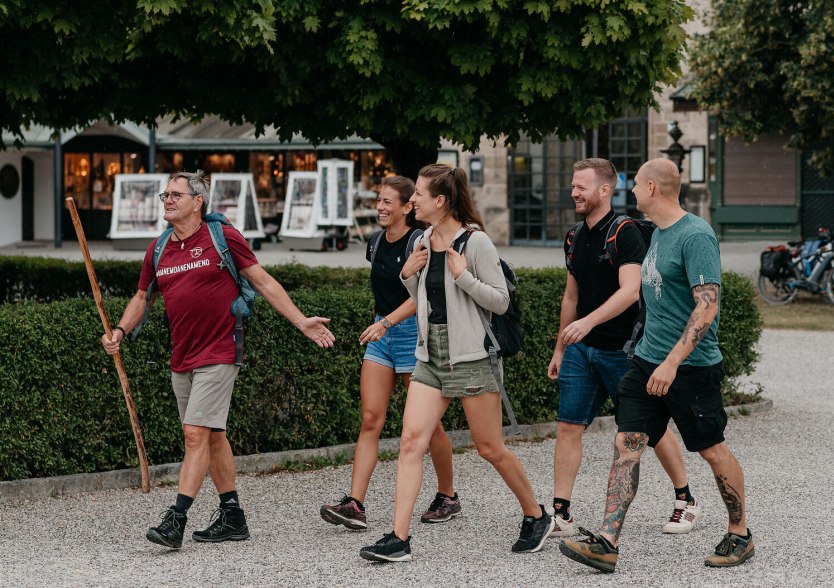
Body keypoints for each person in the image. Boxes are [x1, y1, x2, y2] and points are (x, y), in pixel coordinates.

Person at [102, 170, 335, 550]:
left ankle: (176, 520)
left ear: (198, 201)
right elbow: (142, 297)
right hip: (183, 355)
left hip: (221, 350)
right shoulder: (158, 249)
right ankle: (233, 516)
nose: (167, 200)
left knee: (195, 434)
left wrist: (301, 322)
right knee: (211, 436)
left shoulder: (222, 237)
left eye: (176, 195)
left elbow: (263, 281)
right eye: (165, 195)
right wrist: (120, 331)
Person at [558, 159, 754, 573]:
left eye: (634, 184)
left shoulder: (695, 235)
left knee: (712, 450)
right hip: (646, 361)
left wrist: (672, 362)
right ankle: (607, 541)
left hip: (691, 367)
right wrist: (652, 360)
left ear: (652, 187)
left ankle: (740, 533)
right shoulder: (658, 234)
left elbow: (707, 307)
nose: (629, 190)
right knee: (627, 443)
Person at [359, 164, 554, 562]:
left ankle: (536, 515)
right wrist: (408, 275)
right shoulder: (424, 239)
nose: (413, 200)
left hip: (471, 356)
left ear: (441, 200)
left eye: (419, 194)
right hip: (430, 354)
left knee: (490, 448)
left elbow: (501, 301)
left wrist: (464, 276)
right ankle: (399, 537)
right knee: (411, 442)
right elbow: (425, 298)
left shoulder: (476, 242)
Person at [547, 158, 699, 538]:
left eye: (581, 186)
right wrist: (561, 347)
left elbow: (631, 291)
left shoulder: (625, 232)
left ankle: (686, 499)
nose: (574, 192)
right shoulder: (574, 236)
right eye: (572, 185)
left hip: (624, 351)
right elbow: (570, 297)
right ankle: (561, 514)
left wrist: (588, 322)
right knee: (568, 426)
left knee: (651, 428)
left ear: (604, 190)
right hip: (581, 351)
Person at [320, 175, 458, 530]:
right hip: (382, 334)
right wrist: (381, 324)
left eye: (387, 202)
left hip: (412, 335)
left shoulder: (419, 242)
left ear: (407, 206)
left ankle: (448, 496)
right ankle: (355, 504)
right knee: (370, 419)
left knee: (429, 425)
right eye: (378, 200)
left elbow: (422, 295)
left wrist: (387, 323)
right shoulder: (376, 241)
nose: (380, 207)